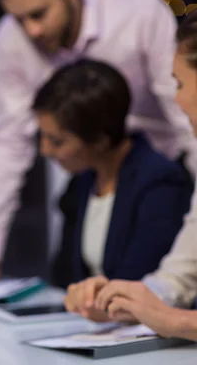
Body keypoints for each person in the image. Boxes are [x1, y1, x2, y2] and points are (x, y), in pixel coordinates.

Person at [0, 0, 197, 282]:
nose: (31, 31)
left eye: (38, 14)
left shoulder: (136, 13)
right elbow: (8, 142)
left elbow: (186, 115)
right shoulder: (11, 40)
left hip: (162, 172)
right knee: (73, 282)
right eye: (19, 19)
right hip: (91, 175)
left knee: (150, 282)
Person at [64, 10, 197, 340]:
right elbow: (178, 278)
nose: (176, 100)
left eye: (179, 84)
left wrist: (179, 322)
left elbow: (176, 312)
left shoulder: (156, 177)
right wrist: (120, 299)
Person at [33, 59, 192, 287]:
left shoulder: (160, 184)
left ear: (99, 140)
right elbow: (63, 277)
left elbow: (139, 281)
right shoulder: (82, 183)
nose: (45, 150)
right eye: (42, 136)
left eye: (57, 141)